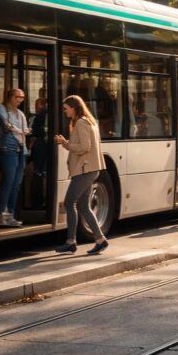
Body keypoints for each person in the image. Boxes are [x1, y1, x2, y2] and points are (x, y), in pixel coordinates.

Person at [54, 95, 108, 254]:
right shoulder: (89, 121)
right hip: (89, 169)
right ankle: (100, 240)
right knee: (84, 205)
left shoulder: (81, 123)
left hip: (85, 170)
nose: (65, 111)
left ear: (74, 107)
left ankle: (71, 241)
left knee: (69, 202)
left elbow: (85, 146)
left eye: (66, 108)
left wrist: (65, 143)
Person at [0, 88, 29, 227]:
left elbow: (24, 130)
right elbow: (7, 126)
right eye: (18, 97)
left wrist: (20, 130)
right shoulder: (1, 109)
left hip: (21, 150)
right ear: (10, 97)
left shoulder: (20, 114)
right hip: (8, 149)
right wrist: (21, 131)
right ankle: (1, 214)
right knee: (8, 182)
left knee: (16, 184)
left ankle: (11, 215)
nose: (20, 100)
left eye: (22, 98)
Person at [28, 97, 49, 209]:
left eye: (38, 105)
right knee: (41, 174)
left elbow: (34, 131)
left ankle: (37, 202)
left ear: (44, 105)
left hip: (40, 150)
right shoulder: (41, 116)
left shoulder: (40, 116)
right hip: (41, 150)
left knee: (38, 174)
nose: (36, 108)